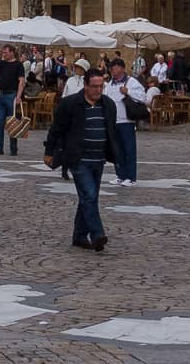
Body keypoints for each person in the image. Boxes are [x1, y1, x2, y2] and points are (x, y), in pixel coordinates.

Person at [44, 67, 118, 252]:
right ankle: (97, 234)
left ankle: (78, 236)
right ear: (85, 85)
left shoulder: (108, 105)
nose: (98, 90)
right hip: (78, 158)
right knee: (90, 195)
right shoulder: (70, 104)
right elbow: (57, 129)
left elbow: (110, 130)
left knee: (88, 198)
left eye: (101, 86)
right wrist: (49, 150)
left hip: (98, 158)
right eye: (94, 86)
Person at [102, 57, 145, 185]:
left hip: (126, 121)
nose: (111, 71)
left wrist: (129, 92)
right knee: (117, 150)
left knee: (129, 150)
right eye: (110, 68)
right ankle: (120, 175)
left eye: (114, 68)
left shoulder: (131, 82)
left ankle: (130, 177)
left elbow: (143, 97)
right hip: (113, 121)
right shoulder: (109, 84)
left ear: (121, 68)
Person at [0, 44, 28, 156]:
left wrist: (19, 96)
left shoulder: (18, 65)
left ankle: (13, 148)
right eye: (3, 52)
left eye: (5, 52)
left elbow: (22, 81)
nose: (3, 54)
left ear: (12, 52)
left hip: (12, 95)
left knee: (12, 123)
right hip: (2, 94)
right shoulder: (1, 63)